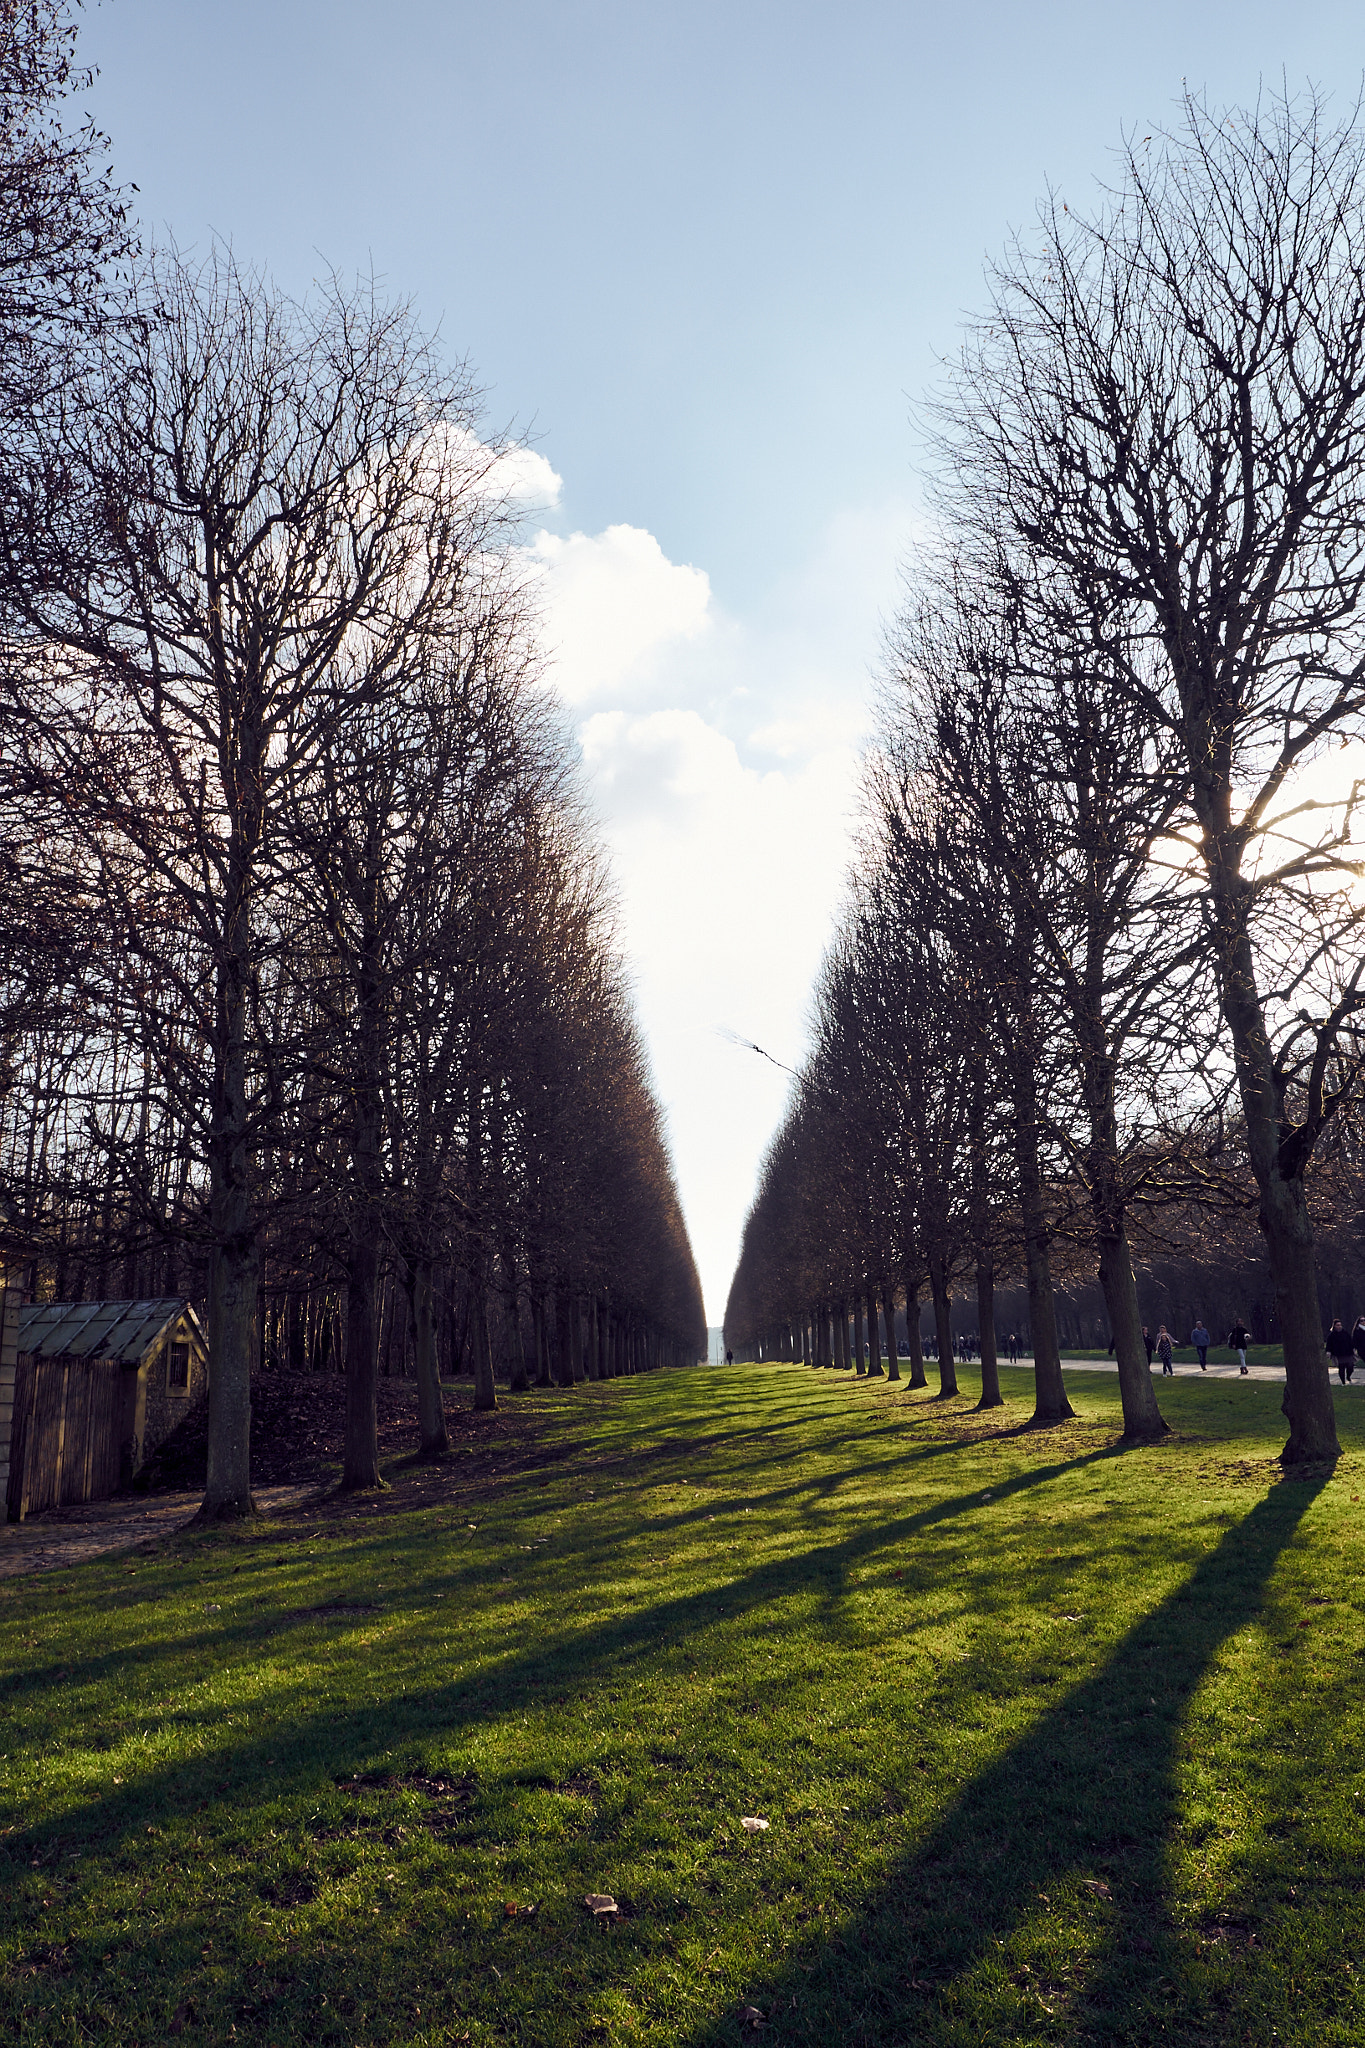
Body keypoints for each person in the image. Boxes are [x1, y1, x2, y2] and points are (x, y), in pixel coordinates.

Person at [1326, 1318, 1355, 1385]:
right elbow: (1329, 1344)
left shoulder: (1345, 1333)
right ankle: (1343, 1381)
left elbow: (1350, 1341)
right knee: (1341, 1368)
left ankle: (1348, 1376)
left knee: (1350, 1366)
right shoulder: (1331, 1335)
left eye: (1340, 1325)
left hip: (1348, 1353)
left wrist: (1353, 1348)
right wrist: (1328, 1351)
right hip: (1339, 1354)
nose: (1339, 1326)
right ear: (1334, 1326)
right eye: (1337, 1325)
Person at [1354, 1317, 1365, 1383]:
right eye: (1362, 1321)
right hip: (1362, 1349)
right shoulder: (1357, 1330)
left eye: (1364, 1320)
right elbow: (1355, 1340)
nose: (1363, 1322)